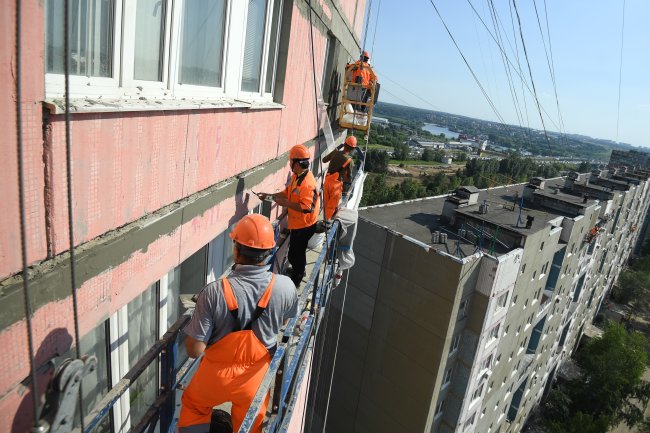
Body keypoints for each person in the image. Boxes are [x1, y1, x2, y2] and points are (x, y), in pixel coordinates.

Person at [178, 214, 298, 433]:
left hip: (214, 377)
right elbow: (286, 320)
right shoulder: (286, 287)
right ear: (270, 251)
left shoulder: (213, 292)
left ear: (236, 250)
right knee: (251, 424)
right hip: (256, 377)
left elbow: (195, 350)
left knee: (195, 407)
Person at [257, 144, 320, 287]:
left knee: (295, 255)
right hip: (299, 224)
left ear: (297, 163)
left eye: (291, 161)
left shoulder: (308, 184)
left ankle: (296, 280)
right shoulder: (297, 176)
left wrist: (285, 203)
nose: (289, 163)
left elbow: (306, 208)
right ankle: (299, 270)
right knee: (296, 253)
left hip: (305, 225)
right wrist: (270, 196)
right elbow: (287, 193)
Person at [322, 135, 357, 220]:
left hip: (327, 182)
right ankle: (326, 224)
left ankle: (325, 221)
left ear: (344, 144)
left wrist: (336, 149)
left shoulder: (335, 153)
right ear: (352, 149)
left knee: (326, 204)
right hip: (336, 185)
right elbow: (349, 178)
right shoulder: (349, 161)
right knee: (331, 207)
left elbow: (324, 160)